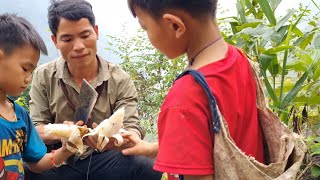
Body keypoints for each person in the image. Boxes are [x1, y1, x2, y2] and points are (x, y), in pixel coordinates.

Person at [121, 0, 266, 179]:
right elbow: (214, 140)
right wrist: (152, 149)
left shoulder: (185, 99)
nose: (147, 35)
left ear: (175, 25)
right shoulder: (239, 59)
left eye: (145, 27)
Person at [26, 0, 162, 180]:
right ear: (55, 41)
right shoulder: (43, 76)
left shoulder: (120, 79)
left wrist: (114, 139)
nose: (79, 46)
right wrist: (63, 132)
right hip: (61, 160)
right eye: (67, 39)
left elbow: (132, 128)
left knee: (145, 167)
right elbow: (36, 130)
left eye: (85, 35)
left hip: (104, 159)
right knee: (25, 169)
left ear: (96, 32)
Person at [0, 13, 76, 179]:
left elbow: (36, 164)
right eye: (25, 68)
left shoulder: (19, 116)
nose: (29, 78)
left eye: (32, 71)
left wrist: (66, 150)